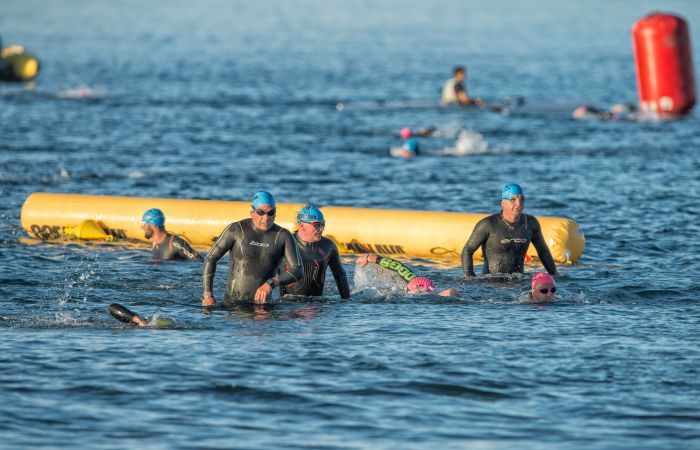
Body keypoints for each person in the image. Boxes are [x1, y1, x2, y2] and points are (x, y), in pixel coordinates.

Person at [202, 191, 303, 305]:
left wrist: (271, 283)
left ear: (275, 213)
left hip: (263, 309)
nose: (266, 218)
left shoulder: (283, 236)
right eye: (261, 212)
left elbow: (298, 270)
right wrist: (207, 295)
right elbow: (210, 258)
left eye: (271, 213)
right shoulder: (236, 229)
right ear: (252, 212)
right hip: (233, 305)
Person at [461, 183, 557, 277]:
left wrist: (554, 274)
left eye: (522, 199)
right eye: (513, 199)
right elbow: (468, 250)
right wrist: (470, 277)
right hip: (491, 283)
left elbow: (543, 250)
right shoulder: (488, 224)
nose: (518, 203)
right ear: (503, 203)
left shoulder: (530, 223)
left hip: (519, 281)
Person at [280, 205, 350, 299]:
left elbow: (340, 275)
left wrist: (347, 303)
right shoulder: (284, 244)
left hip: (318, 306)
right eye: (317, 224)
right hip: (288, 306)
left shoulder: (328, 246)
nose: (322, 228)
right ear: (301, 225)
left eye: (323, 224)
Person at [356, 254, 459, 297]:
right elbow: (397, 267)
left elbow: (397, 266)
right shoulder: (436, 292)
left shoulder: (409, 283)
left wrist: (370, 257)